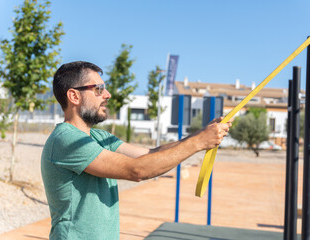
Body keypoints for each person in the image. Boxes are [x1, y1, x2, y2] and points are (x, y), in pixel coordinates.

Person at [41, 61, 233, 240]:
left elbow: (149, 155)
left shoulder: (99, 137)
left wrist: (200, 135)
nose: (107, 94)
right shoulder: (66, 140)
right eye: (98, 89)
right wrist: (199, 142)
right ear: (74, 96)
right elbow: (137, 170)